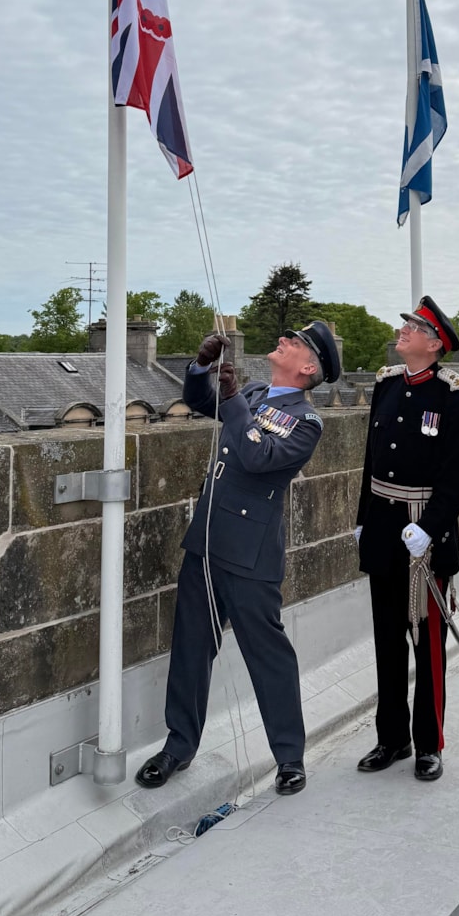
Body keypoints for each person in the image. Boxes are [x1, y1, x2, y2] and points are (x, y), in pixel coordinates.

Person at [134, 319, 340, 797]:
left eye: (296, 342)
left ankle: (289, 757)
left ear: (309, 368)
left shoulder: (307, 422)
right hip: (208, 540)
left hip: (250, 554)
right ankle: (179, 746)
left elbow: (257, 457)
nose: (284, 339)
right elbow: (202, 403)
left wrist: (232, 400)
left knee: (267, 656)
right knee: (191, 649)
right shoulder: (252, 393)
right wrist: (200, 366)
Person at [355, 296, 459, 782]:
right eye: (406, 324)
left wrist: (429, 530)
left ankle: (428, 742)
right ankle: (392, 737)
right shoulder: (385, 384)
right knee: (387, 640)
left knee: (427, 647)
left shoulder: (453, 394)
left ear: (434, 343)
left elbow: (456, 475)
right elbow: (370, 460)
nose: (403, 330)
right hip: (383, 529)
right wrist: (362, 519)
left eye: (414, 327)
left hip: (424, 532)